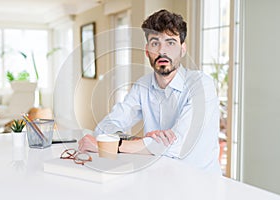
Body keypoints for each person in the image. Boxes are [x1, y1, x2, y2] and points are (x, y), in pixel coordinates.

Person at [78, 9, 221, 174]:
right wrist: (140, 141)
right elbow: (104, 128)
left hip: (201, 186)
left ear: (182, 49)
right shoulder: (142, 86)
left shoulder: (201, 85)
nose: (162, 51)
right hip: (158, 179)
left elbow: (178, 145)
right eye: (155, 43)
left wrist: (112, 146)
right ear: (147, 51)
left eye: (170, 42)